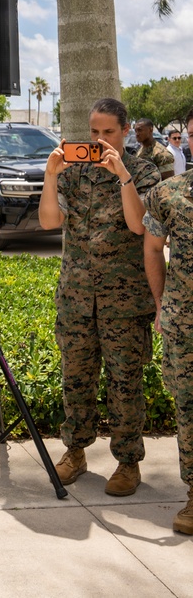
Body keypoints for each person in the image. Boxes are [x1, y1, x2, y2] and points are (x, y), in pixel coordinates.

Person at [39, 98, 160, 497]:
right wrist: (52, 175)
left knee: (125, 384)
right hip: (76, 297)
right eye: (94, 132)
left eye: (108, 132)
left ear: (126, 131)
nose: (99, 139)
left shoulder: (142, 169)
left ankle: (127, 463)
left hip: (123, 300)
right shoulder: (74, 173)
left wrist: (122, 174)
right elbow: (49, 221)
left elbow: (139, 226)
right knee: (75, 379)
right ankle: (75, 451)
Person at [143, 160, 193, 534]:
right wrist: (162, 305)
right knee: (188, 408)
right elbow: (153, 248)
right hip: (185, 321)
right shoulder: (167, 193)